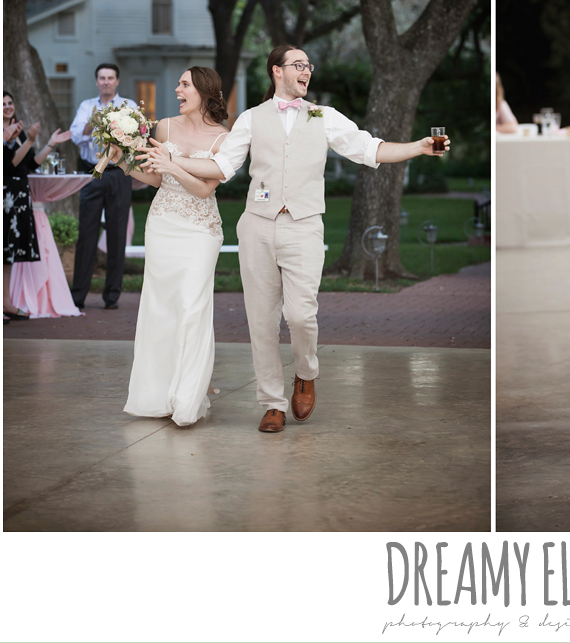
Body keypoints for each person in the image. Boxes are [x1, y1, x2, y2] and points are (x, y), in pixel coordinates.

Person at [139, 44, 450, 433]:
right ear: (277, 72)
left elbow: (371, 148)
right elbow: (220, 165)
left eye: (309, 66)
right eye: (298, 65)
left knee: (301, 315)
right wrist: (174, 161)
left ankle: (306, 372)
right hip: (257, 226)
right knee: (261, 321)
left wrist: (418, 148)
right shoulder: (251, 119)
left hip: (304, 226)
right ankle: (272, 403)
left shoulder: (324, 116)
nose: (306, 71)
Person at [122, 67, 229, 427]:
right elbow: (156, 177)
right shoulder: (164, 127)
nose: (177, 90)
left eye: (184, 85)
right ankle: (156, 395)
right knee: (161, 306)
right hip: (163, 222)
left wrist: (173, 164)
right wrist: (124, 160)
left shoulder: (222, 139)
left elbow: (203, 189)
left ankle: (187, 398)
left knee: (192, 307)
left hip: (201, 229)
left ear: (203, 90)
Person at [69, 64, 136, 310]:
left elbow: (135, 138)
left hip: (118, 174)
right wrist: (93, 122)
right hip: (92, 173)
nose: (106, 82)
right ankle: (78, 296)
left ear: (117, 81)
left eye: (110, 78)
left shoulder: (129, 105)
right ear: (97, 82)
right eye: (102, 78)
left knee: (118, 234)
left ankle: (112, 296)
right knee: (86, 234)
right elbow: (76, 136)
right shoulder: (87, 106)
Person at [2, 91, 73, 321]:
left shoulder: (18, 131)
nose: (7, 106)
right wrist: (30, 140)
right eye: (2, 103)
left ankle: (6, 303)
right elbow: (10, 164)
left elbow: (30, 163)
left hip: (20, 196)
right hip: (4, 196)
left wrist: (50, 143)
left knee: (8, 253)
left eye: (10, 102)